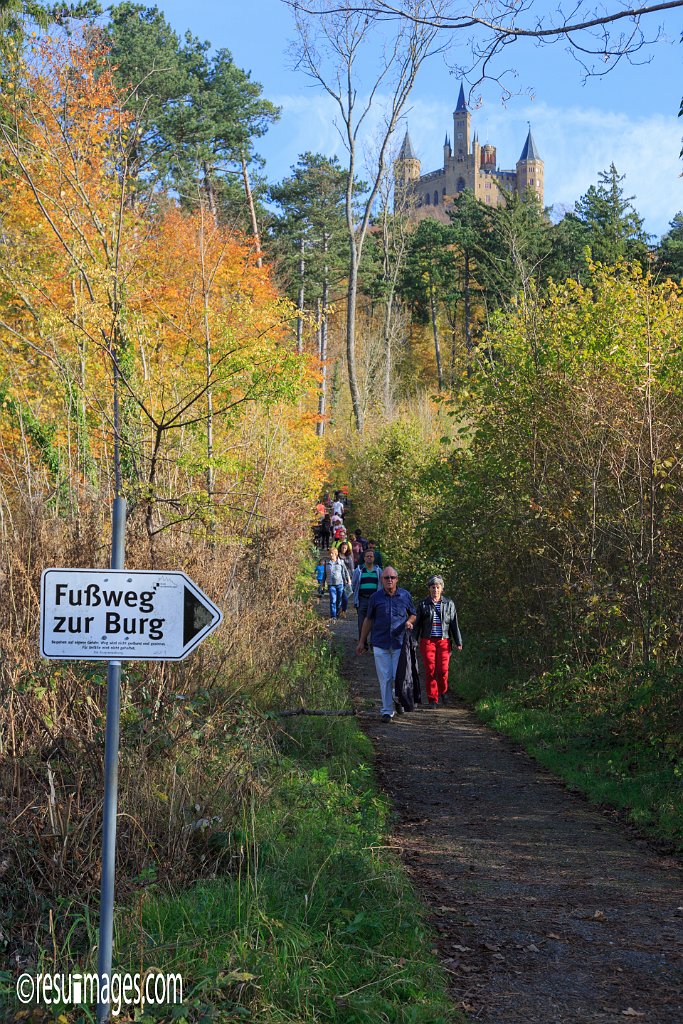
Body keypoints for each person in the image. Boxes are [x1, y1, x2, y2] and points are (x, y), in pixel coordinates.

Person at [356, 567, 416, 722]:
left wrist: (409, 622)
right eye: (386, 577)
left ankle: (398, 699)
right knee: (385, 678)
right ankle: (387, 711)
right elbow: (368, 620)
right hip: (380, 643)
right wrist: (362, 641)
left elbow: (413, 614)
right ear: (381, 580)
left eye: (392, 577)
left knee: (399, 677)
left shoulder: (405, 595)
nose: (389, 580)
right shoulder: (375, 598)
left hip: (399, 643)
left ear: (397, 579)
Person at [413, 575, 462, 707]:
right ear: (429, 589)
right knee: (430, 669)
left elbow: (453, 623)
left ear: (442, 589)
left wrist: (458, 641)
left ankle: (444, 692)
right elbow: (417, 624)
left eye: (438, 587)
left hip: (444, 641)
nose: (435, 589)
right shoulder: (423, 604)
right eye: (433, 587)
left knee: (443, 670)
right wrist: (414, 640)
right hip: (427, 641)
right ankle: (432, 699)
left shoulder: (449, 603)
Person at [351, 547, 382, 646]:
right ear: (364, 558)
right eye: (367, 556)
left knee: (375, 623)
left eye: (371, 556)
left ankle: (374, 644)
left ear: (374, 558)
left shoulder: (378, 571)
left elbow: (381, 585)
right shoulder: (359, 570)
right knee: (361, 623)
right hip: (362, 599)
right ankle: (362, 644)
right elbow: (354, 584)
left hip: (375, 600)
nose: (369, 558)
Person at [325, 546, 352, 620]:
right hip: (331, 585)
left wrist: (348, 579)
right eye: (330, 553)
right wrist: (322, 584)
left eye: (332, 553)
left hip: (340, 584)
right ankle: (333, 615)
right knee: (333, 600)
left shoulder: (341, 562)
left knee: (339, 600)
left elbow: (346, 571)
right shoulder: (327, 563)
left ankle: (337, 611)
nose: (331, 555)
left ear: (336, 554)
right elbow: (325, 574)